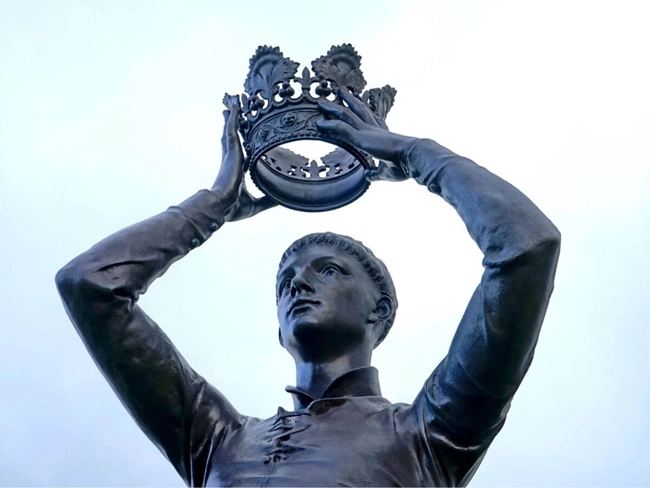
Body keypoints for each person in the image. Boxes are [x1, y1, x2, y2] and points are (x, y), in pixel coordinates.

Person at [55, 89, 560, 487]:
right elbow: (91, 285)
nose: (298, 281)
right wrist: (210, 207)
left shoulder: (428, 433)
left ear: (378, 310)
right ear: (279, 332)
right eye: (285, 280)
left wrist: (415, 154)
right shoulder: (218, 440)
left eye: (329, 270)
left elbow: (526, 247)